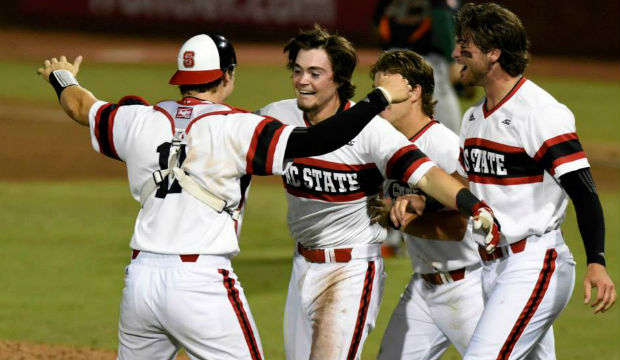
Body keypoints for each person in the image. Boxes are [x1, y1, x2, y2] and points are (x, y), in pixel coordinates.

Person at [36, 33, 416, 360]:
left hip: (139, 283)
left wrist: (61, 76)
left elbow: (79, 105)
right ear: (228, 76)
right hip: (201, 285)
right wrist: (379, 97)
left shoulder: (137, 119)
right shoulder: (237, 128)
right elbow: (319, 139)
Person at [257, 25, 499, 360]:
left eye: (315, 72)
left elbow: (434, 182)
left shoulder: (397, 137)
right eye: (297, 71)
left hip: (450, 282)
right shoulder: (277, 116)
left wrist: (472, 207)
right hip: (407, 281)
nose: (302, 80)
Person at [393, 3, 617, 359]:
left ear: (494, 53)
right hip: (492, 265)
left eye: (465, 45)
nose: (455, 53)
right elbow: (466, 187)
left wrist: (597, 261)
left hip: (533, 264)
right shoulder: (473, 118)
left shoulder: (539, 113)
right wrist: (426, 201)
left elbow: (584, 192)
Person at [369, 49, 484, 360]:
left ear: (415, 92)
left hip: (467, 286)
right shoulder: (385, 145)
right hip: (422, 287)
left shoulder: (442, 146)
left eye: (388, 92)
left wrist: (398, 220)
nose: (381, 101)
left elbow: (459, 227)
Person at [373, 0, 464, 134]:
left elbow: (377, 21)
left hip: (392, 57)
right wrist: (453, 61)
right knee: (449, 124)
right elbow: (441, 15)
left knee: (393, 116)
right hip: (425, 60)